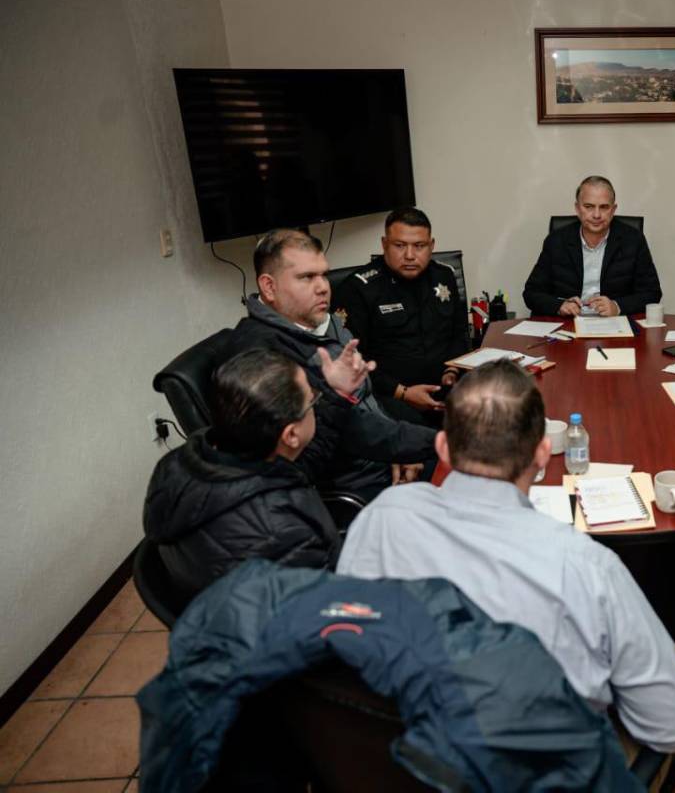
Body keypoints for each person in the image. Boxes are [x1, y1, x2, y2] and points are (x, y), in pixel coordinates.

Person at [337, 360, 675, 784]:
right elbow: (672, 726)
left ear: (442, 448)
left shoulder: (382, 516)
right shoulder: (586, 566)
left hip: (404, 760)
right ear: (541, 454)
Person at [225, 228, 436, 501]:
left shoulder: (322, 322)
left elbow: (365, 401)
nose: (323, 286)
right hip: (354, 484)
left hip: (380, 459)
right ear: (268, 286)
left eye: (323, 274)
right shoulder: (263, 355)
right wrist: (418, 446)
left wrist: (402, 451)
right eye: (307, 277)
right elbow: (338, 434)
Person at [144, 349, 342, 600]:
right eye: (312, 399)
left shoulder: (173, 465)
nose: (315, 399)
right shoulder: (289, 531)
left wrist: (339, 396)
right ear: (291, 435)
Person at [335, 207, 468, 426]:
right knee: (423, 440)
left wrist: (452, 370)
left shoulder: (444, 276)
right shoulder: (359, 289)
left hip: (445, 386)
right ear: (384, 244)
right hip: (390, 396)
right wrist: (402, 392)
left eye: (419, 246)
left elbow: (459, 332)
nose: (409, 255)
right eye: (399, 245)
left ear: (431, 246)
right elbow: (353, 360)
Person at [523, 175, 663, 317]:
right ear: (577, 209)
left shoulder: (633, 240)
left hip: (614, 324)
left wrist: (617, 306)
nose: (596, 215)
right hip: (568, 325)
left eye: (604, 207)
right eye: (588, 207)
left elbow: (652, 293)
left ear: (613, 210)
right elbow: (531, 293)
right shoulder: (556, 241)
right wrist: (560, 306)